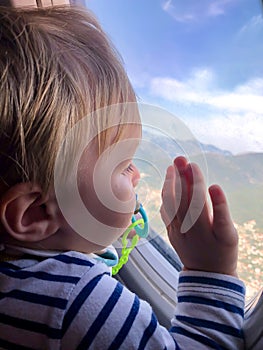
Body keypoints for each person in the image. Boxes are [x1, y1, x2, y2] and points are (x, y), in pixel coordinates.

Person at [0, 5, 245, 349]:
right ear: (35, 213)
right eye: (121, 165)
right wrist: (210, 271)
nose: (137, 173)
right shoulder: (78, 303)